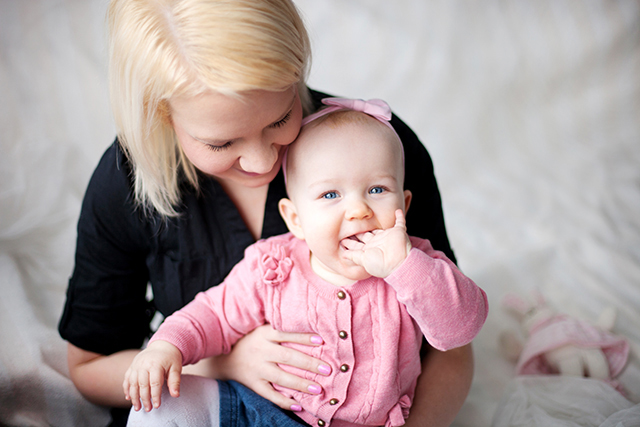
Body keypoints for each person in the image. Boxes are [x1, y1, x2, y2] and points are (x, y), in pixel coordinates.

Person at [57, 0, 476, 426]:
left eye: (280, 119)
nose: (261, 163)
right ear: (161, 115)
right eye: (221, 144)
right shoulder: (124, 185)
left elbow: (453, 344)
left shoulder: (374, 150)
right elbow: (89, 365)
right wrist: (222, 364)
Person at [122, 99, 488, 427]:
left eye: (377, 190)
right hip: (260, 412)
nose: (358, 210)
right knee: (159, 410)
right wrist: (166, 347)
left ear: (404, 205)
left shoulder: (417, 267)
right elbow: (212, 315)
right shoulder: (272, 266)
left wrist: (405, 267)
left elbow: (461, 328)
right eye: (331, 194)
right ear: (295, 219)